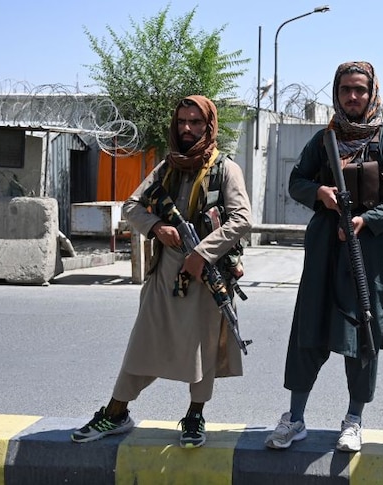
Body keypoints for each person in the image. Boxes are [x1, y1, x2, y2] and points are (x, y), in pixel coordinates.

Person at [71, 95, 252, 448]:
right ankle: (116, 411)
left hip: (206, 275)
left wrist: (201, 254)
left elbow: (242, 219)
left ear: (209, 126)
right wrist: (156, 227)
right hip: (165, 273)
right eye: (182, 122)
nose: (187, 129)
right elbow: (132, 206)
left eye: (195, 122)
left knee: (202, 350)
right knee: (144, 342)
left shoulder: (225, 168)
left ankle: (195, 415)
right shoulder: (167, 168)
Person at [264, 61, 383, 453]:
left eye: (360, 89)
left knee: (363, 332)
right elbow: (297, 181)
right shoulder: (322, 140)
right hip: (326, 250)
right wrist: (320, 194)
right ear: (337, 92)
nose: (352, 96)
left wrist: (368, 219)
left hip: (370, 251)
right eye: (346, 89)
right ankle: (294, 418)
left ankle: (353, 419)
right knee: (308, 330)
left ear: (372, 92)